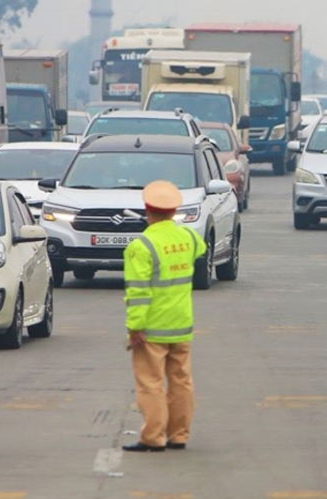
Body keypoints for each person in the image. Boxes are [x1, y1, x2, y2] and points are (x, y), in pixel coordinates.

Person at [121, 180, 207, 452]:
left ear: (147, 209)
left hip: (152, 329)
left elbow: (138, 293)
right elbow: (201, 250)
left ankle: (153, 438)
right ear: (174, 210)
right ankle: (179, 435)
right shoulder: (190, 238)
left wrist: (135, 329)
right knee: (181, 381)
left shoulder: (141, 246)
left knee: (151, 384)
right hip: (182, 325)